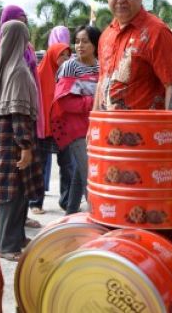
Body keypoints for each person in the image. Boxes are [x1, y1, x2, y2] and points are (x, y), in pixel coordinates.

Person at [0, 20, 41, 261]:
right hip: (13, 140)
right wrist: (25, 146)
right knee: (14, 192)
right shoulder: (19, 71)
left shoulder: (5, 68)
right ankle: (7, 245)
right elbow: (19, 113)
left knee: (14, 190)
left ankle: (16, 237)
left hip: (2, 140)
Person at [94, 0, 172, 110]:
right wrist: (93, 125)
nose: (120, 0)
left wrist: (171, 128)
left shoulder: (157, 32)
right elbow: (101, 82)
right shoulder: (106, 35)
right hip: (107, 129)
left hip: (144, 130)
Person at [51, 25, 101, 214]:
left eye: (85, 41)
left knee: (81, 173)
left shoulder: (101, 65)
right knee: (91, 174)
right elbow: (65, 103)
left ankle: (70, 212)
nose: (80, 45)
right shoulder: (69, 66)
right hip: (75, 128)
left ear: (96, 44)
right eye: (77, 41)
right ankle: (97, 216)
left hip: (96, 126)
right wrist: (94, 102)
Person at [28, 41, 70, 215]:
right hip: (44, 127)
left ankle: (66, 201)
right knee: (40, 165)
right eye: (62, 55)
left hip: (63, 127)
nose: (65, 59)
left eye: (68, 56)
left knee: (67, 166)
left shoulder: (68, 75)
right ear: (53, 55)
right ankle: (35, 202)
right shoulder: (38, 74)